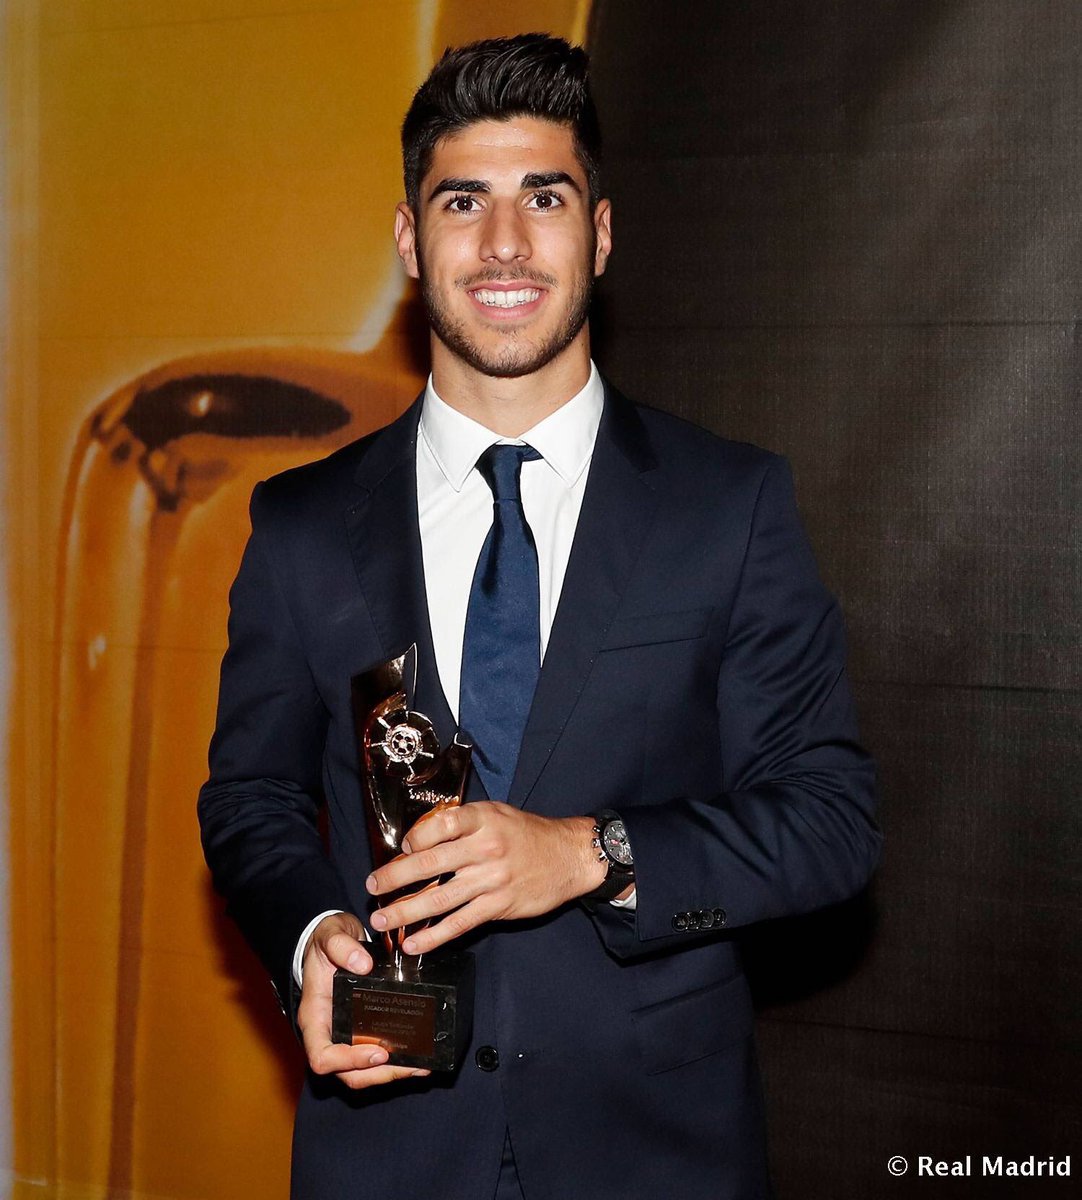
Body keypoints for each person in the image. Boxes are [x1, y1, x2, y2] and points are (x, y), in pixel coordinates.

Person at [198, 33, 881, 1200]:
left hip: (655, 1153)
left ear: (599, 235)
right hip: (386, 1150)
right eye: (463, 201)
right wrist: (311, 938)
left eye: (544, 197)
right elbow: (250, 798)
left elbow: (828, 823)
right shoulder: (301, 524)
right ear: (409, 240)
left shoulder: (726, 506)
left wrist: (584, 854)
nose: (504, 242)